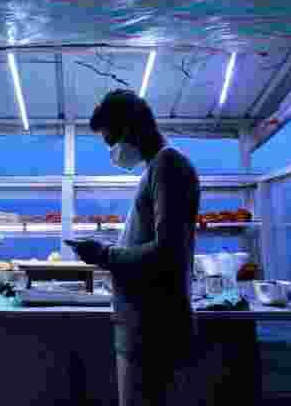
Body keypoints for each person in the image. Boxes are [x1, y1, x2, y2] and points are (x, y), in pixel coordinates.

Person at [66, 89, 201, 406]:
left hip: (154, 331)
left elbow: (168, 253)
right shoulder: (157, 168)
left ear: (127, 128)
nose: (112, 150)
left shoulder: (169, 165)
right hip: (143, 327)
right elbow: (153, 243)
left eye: (110, 139)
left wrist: (104, 255)